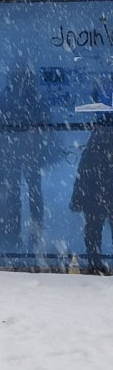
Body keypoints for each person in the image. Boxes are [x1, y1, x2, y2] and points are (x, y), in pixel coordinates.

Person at [70, 112, 113, 272]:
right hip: (102, 196)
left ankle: (95, 264)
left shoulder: (93, 146)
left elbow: (83, 175)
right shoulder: (95, 147)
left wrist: (78, 199)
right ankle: (95, 264)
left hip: (93, 197)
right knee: (94, 232)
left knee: (93, 232)